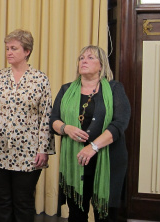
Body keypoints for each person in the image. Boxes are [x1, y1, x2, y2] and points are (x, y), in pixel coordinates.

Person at [0, 29, 55, 222]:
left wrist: (43, 149)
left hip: (29, 152)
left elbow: (46, 116)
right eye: (7, 48)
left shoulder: (40, 79)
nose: (9, 52)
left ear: (27, 51)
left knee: (23, 202)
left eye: (14, 48)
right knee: (2, 201)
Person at [50, 45, 131, 222]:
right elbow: (53, 119)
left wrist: (93, 147)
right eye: (81, 58)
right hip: (75, 161)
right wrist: (66, 128)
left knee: (106, 215)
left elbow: (119, 124)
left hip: (109, 161)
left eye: (90, 58)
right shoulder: (66, 90)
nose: (84, 61)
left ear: (101, 65)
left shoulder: (114, 89)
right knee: (76, 214)